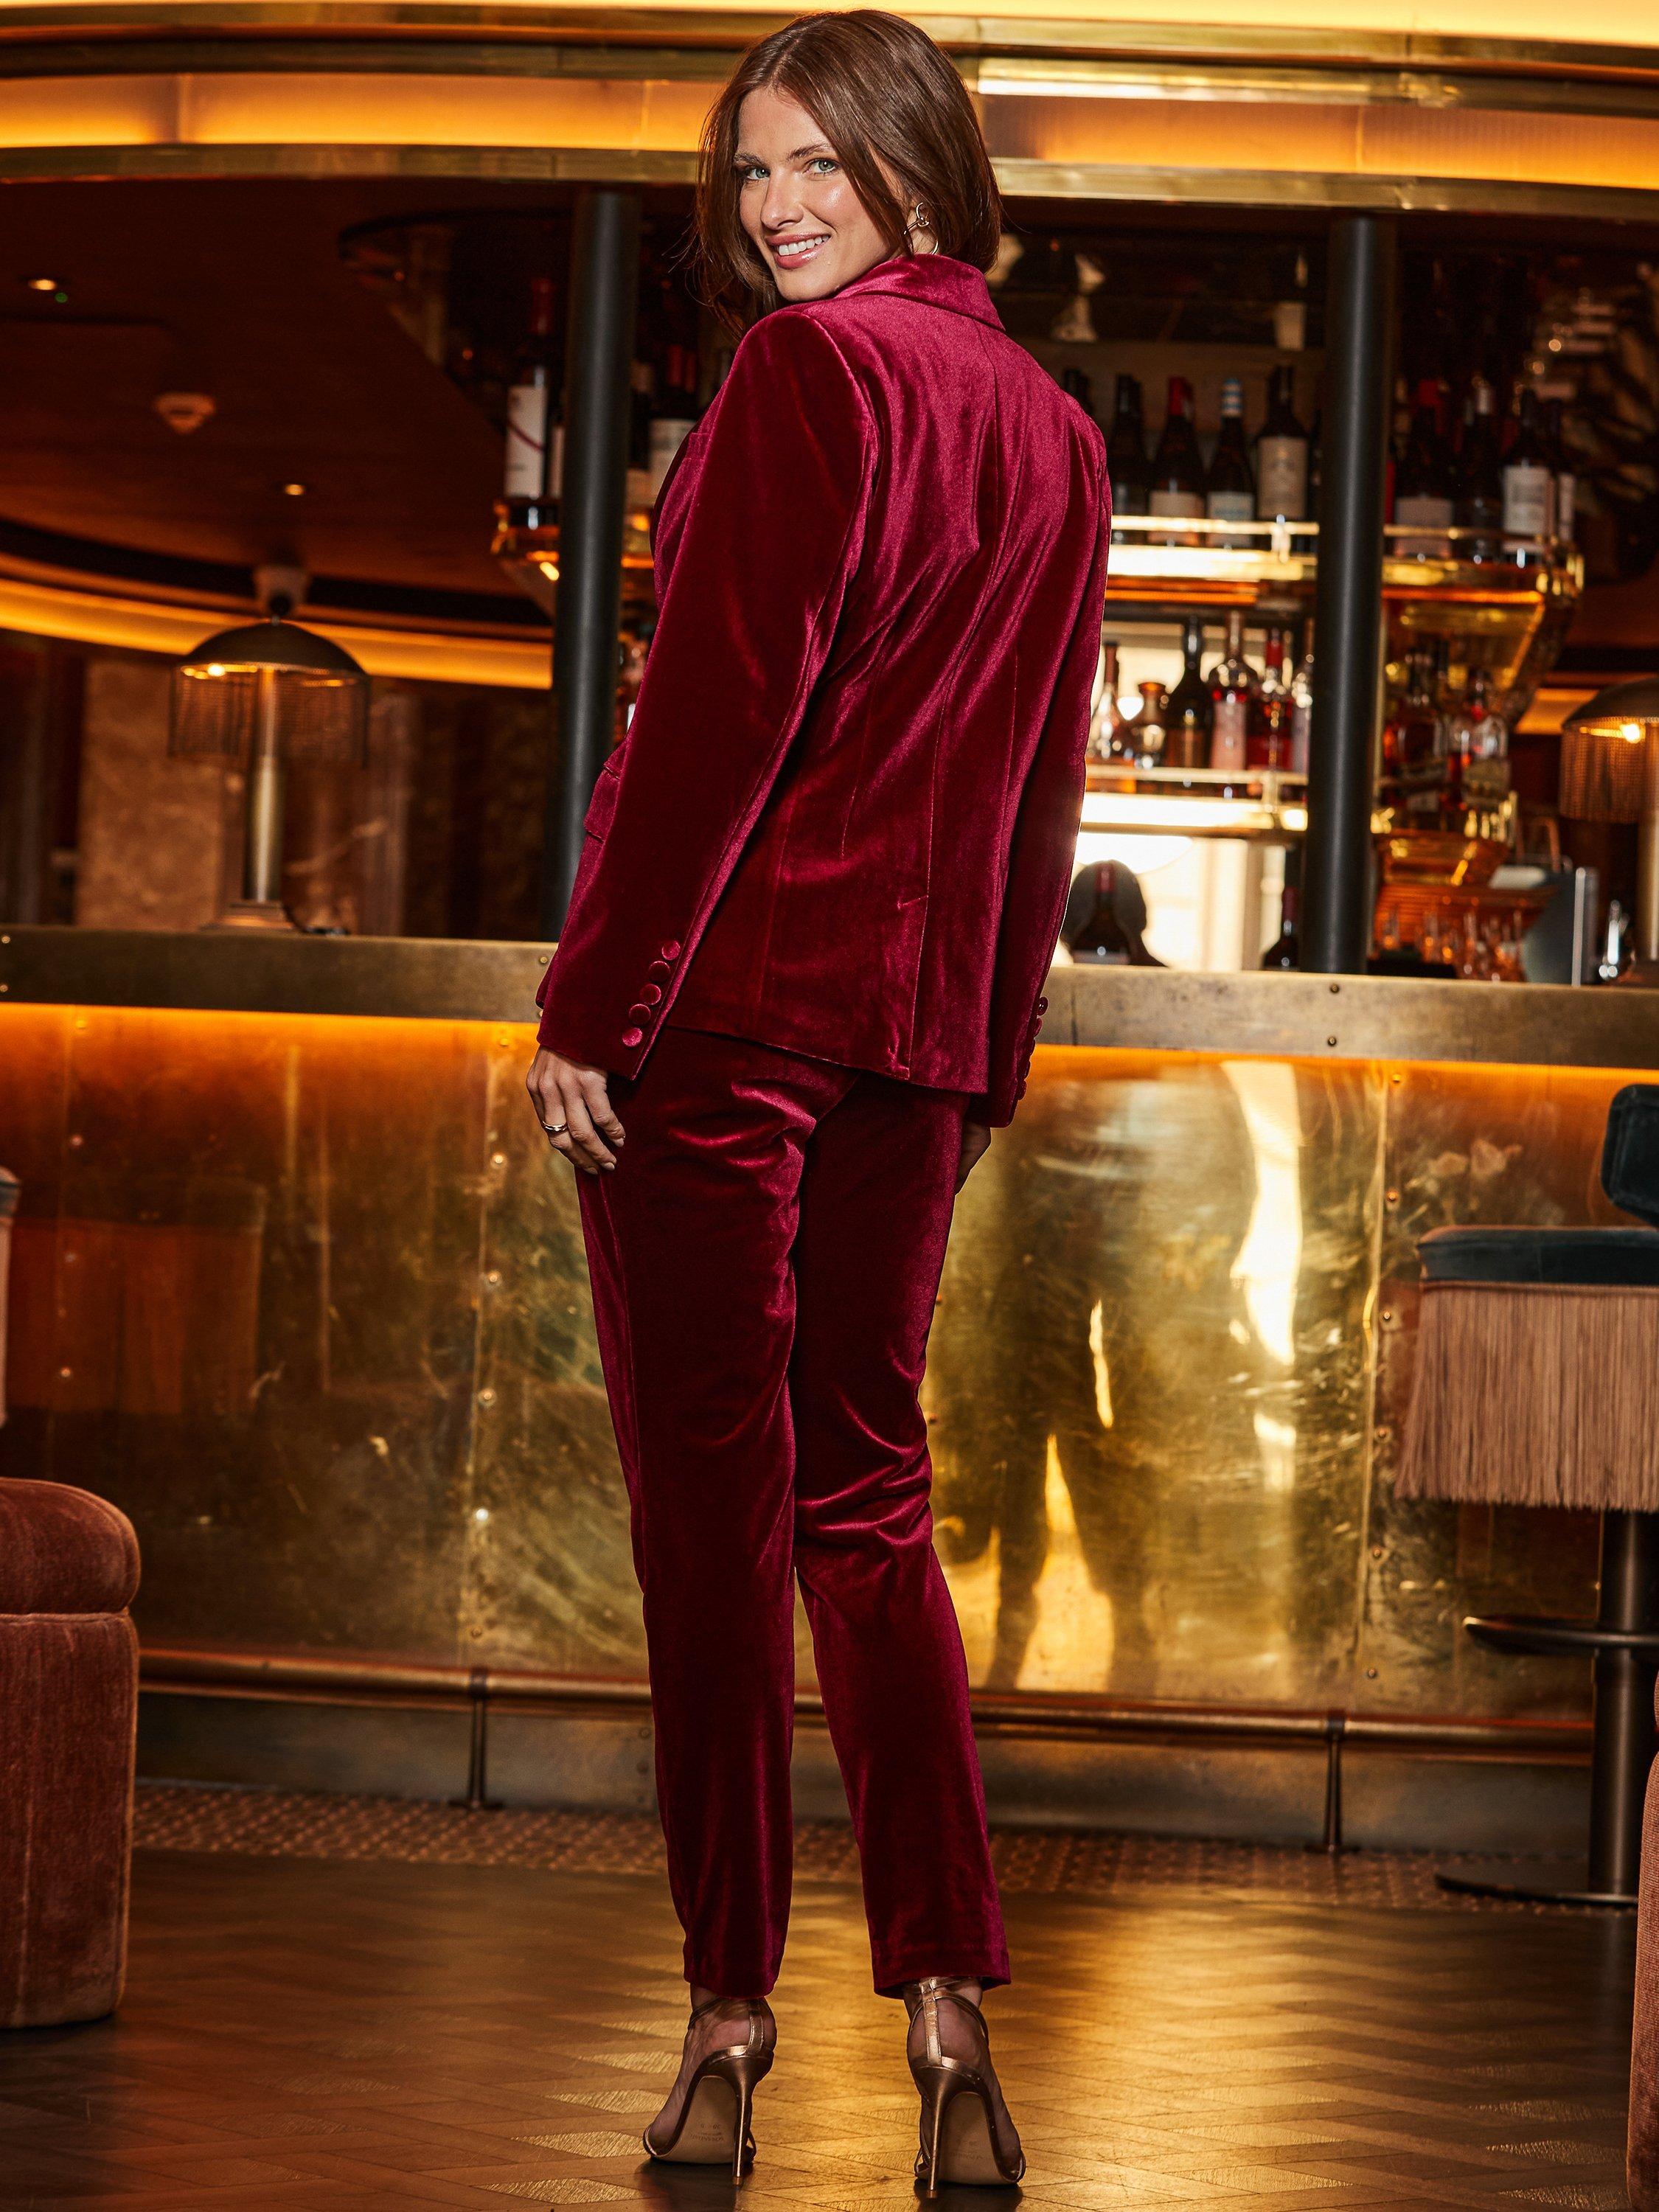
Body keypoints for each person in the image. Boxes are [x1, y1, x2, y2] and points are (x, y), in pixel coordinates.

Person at [526, 7, 1110, 2192]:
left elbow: (714, 722)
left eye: (813, 165)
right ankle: (949, 2010)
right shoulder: (1058, 437)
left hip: (727, 1022)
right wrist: (983, 1052)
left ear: (913, 165)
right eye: (750, 171)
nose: (773, 208)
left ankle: (726, 2014)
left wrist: (597, 1001)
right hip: (911, 1043)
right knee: (868, 1504)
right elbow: (1043, 786)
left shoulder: (808, 377)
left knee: (713, 1520)